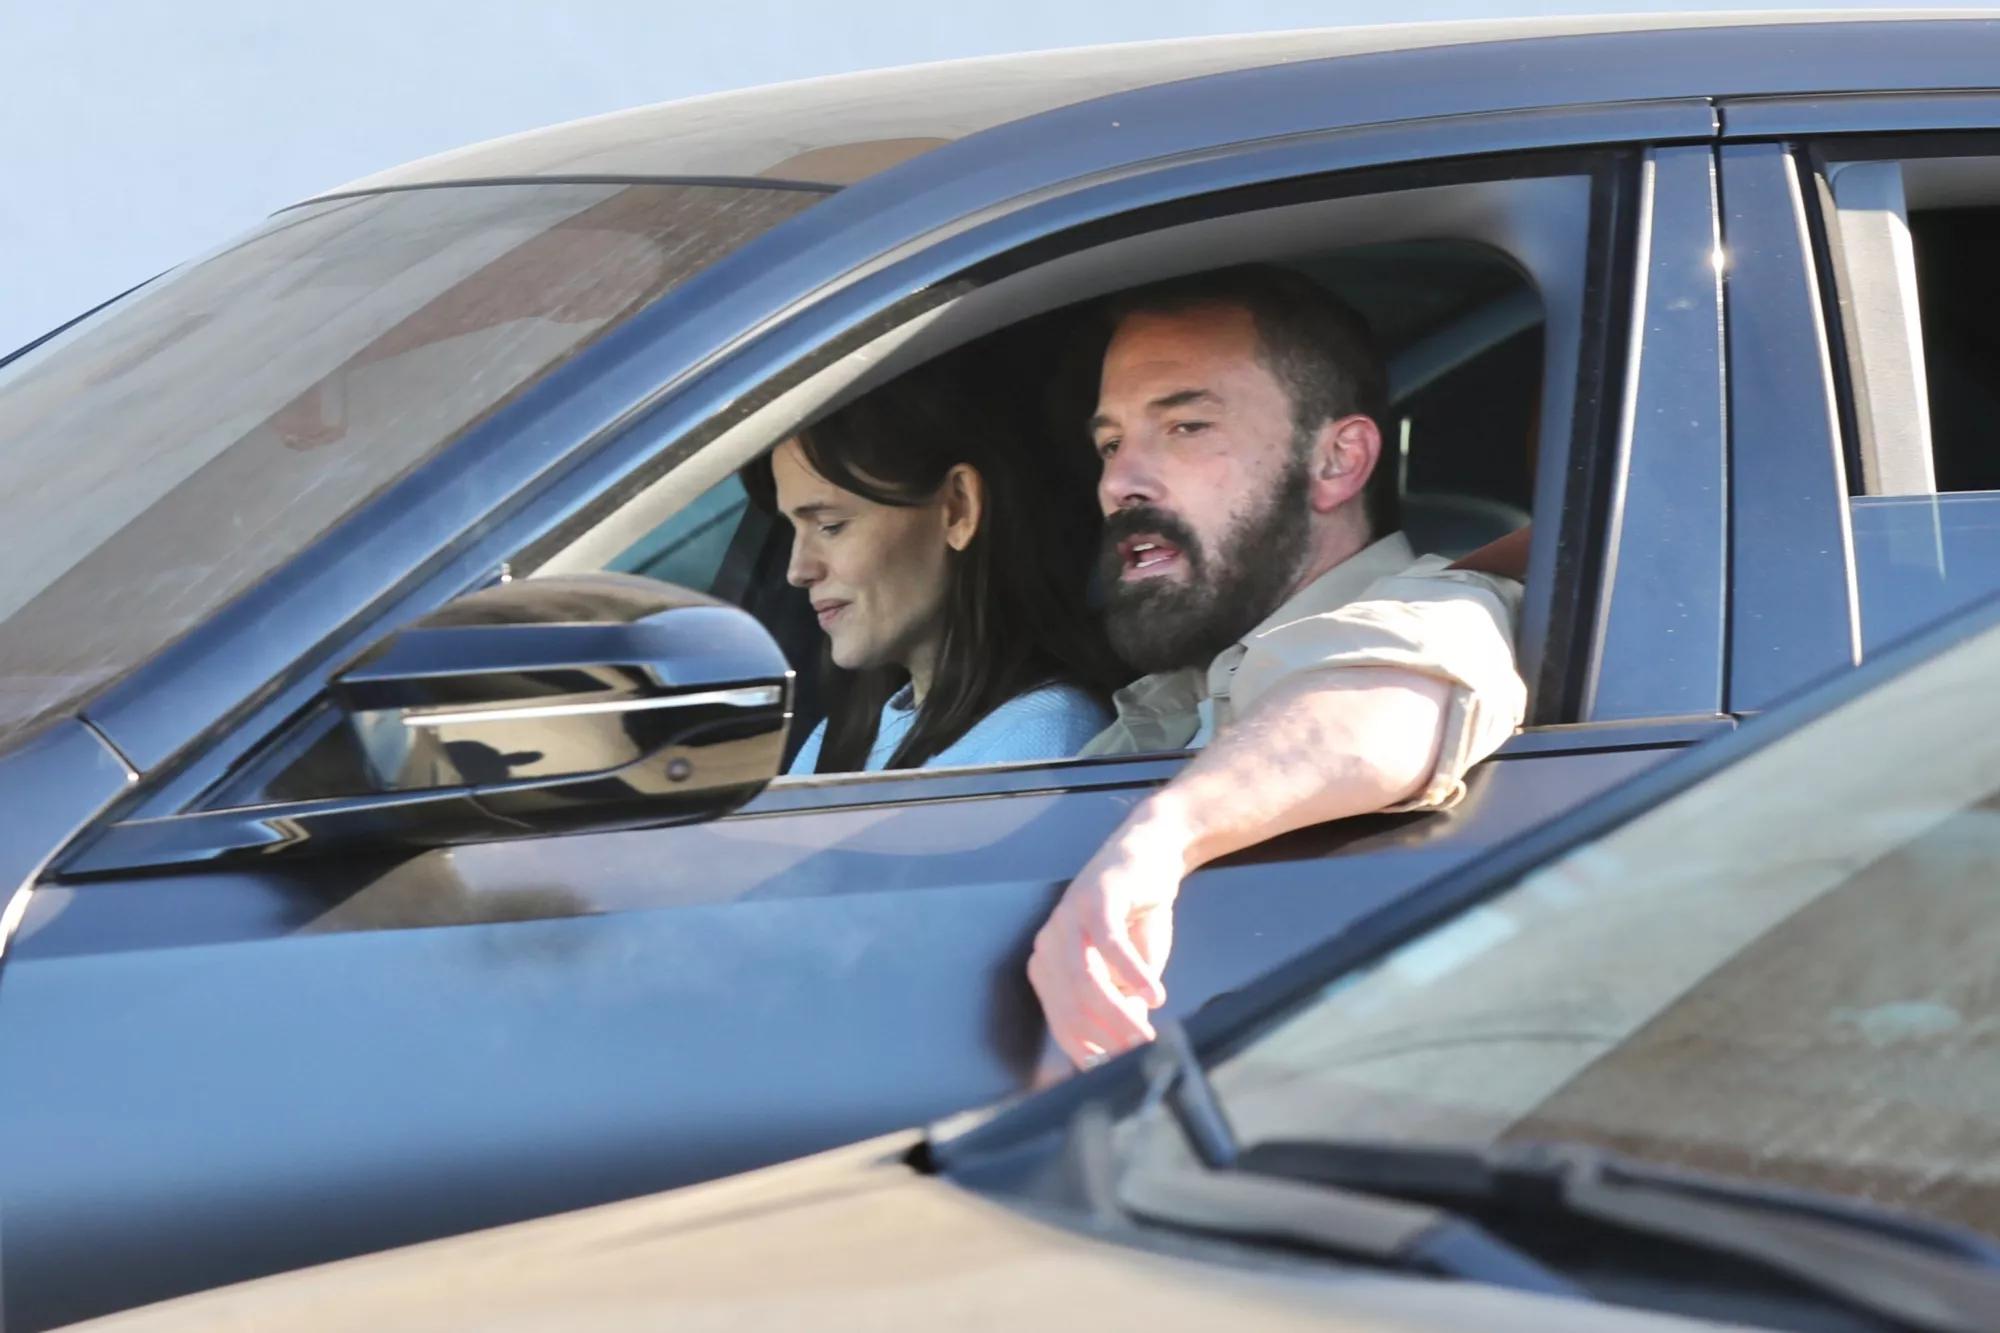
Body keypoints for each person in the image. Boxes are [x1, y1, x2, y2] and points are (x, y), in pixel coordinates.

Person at [1028, 264, 1528, 1069]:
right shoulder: (1175, 695)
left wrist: (1162, 838)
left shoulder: (1446, 605)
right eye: (1111, 443)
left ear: (1337, 461)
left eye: (1185, 426)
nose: (1119, 482)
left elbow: (1383, 704)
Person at [743, 364, 1123, 774]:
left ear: (958, 508)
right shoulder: (843, 734)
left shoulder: (1040, 739)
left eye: (830, 526)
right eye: (793, 530)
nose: (797, 570)